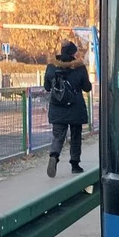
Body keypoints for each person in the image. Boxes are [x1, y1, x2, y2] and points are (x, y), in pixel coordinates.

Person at [43, 40, 93, 177]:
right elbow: (87, 88)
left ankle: (54, 156)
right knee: (76, 137)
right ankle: (75, 165)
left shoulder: (51, 67)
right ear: (73, 52)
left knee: (58, 136)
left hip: (57, 107)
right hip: (75, 108)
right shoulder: (79, 67)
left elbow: (47, 87)